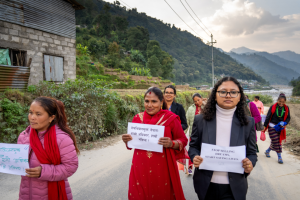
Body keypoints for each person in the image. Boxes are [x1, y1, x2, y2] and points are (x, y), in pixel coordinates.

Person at [188, 77, 257, 200]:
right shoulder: (200, 120)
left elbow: (252, 153)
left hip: (234, 188)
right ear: (215, 95)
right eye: (223, 92)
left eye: (233, 92)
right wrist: (195, 157)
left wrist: (250, 163)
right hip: (206, 185)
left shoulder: (248, 123)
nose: (228, 95)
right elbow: (193, 146)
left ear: (240, 96)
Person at [122, 87, 188, 200]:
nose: (149, 105)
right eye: (147, 101)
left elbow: (183, 140)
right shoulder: (138, 118)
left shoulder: (170, 119)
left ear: (161, 102)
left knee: (162, 193)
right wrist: (127, 141)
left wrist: (171, 143)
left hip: (163, 166)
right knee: (139, 193)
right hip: (140, 166)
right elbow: (132, 145)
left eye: (154, 101)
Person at [17, 97, 79, 200]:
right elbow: (19, 162)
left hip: (52, 194)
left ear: (51, 118)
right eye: (30, 113)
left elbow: (71, 166)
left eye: (38, 114)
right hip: (26, 193)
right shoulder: (24, 136)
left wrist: (44, 171)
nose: (32, 117)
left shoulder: (62, 139)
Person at [182, 93, 206, 174]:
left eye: (198, 100)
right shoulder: (191, 109)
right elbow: (187, 122)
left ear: (201, 98)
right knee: (192, 152)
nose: (197, 102)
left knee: (203, 152)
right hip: (194, 135)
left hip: (205, 135)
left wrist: (205, 104)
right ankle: (190, 169)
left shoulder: (207, 107)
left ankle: (204, 168)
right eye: (195, 101)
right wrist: (182, 134)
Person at [263, 93, 290, 164]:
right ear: (277, 100)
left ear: (285, 102)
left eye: (283, 102)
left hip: (280, 128)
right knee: (276, 140)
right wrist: (265, 126)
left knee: (275, 141)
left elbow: (288, 118)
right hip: (272, 126)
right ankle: (279, 156)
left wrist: (285, 123)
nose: (281, 103)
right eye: (280, 101)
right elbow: (268, 116)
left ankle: (267, 151)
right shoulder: (273, 107)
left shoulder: (286, 108)